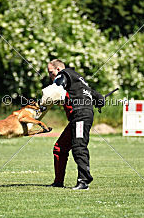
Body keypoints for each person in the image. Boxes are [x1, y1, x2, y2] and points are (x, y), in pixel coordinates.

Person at [45, 59, 105, 190]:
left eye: (51, 72)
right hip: (78, 117)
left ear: (58, 70)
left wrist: (50, 92)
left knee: (79, 146)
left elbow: (59, 83)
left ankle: (84, 181)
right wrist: (100, 101)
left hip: (80, 116)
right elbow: (98, 98)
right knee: (59, 148)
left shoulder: (65, 74)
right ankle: (58, 182)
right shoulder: (80, 81)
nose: (50, 76)